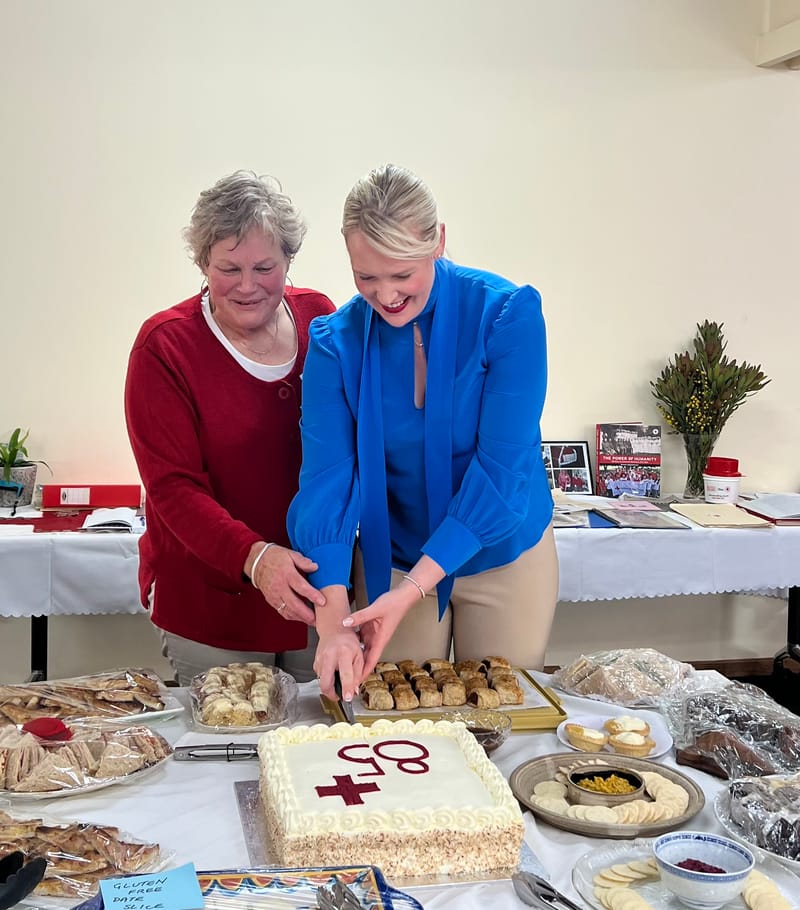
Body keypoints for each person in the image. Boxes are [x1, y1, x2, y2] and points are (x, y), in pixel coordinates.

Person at [287, 163, 559, 701]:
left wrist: (416, 588)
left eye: (401, 274)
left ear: (438, 241)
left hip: (502, 553)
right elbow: (326, 482)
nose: (385, 295)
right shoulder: (334, 342)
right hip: (394, 555)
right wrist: (334, 619)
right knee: (396, 715)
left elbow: (502, 471)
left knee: (501, 714)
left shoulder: (506, 316)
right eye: (366, 277)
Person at [125, 170, 335, 685]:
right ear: (203, 263)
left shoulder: (321, 319)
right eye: (229, 268)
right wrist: (256, 558)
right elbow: (173, 489)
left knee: (319, 731)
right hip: (213, 606)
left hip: (318, 594)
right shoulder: (165, 347)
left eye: (265, 267)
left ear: (289, 261)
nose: (247, 285)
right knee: (228, 730)